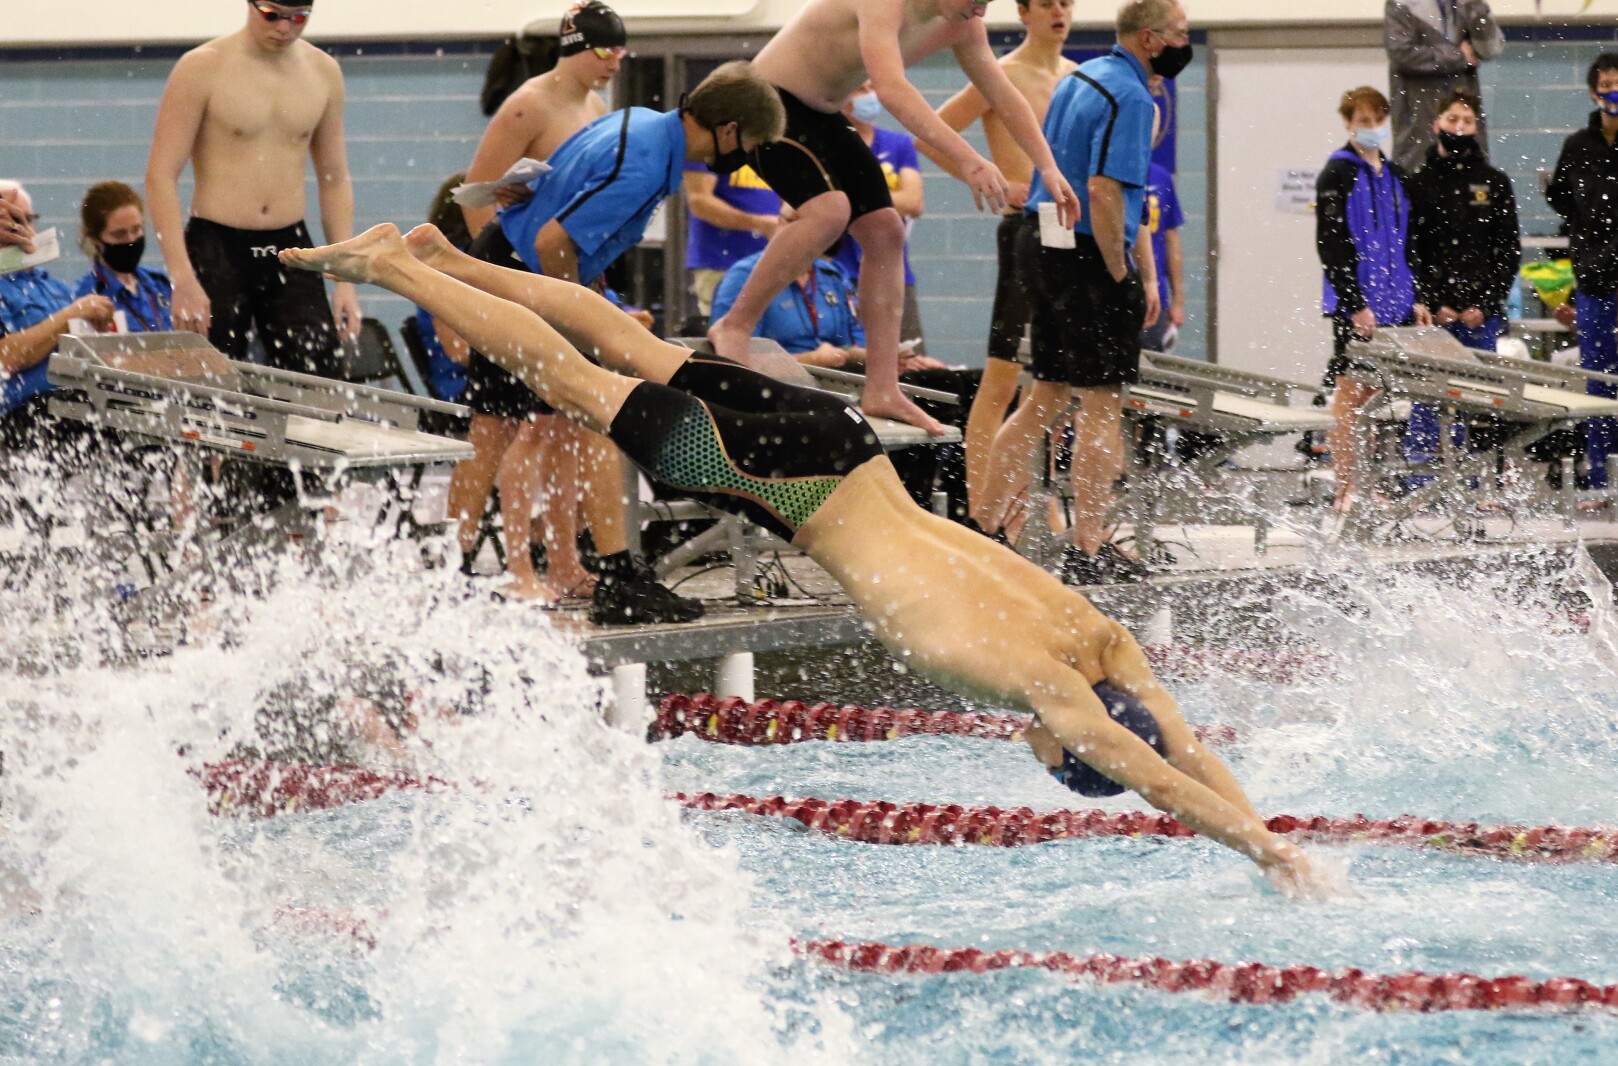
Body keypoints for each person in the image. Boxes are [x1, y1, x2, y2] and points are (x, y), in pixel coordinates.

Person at [280, 221, 1329, 899]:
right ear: (1071, 747)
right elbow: (1150, 768)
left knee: (635, 344)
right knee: (565, 378)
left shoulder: (1092, 634)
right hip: (768, 483)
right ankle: (399, 271)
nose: (1047, 758)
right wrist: (1260, 851)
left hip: (835, 444)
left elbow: (1175, 740)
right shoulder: (1050, 690)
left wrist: (1269, 834)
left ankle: (444, 257)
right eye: (1063, 761)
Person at [471, 59, 786, 624]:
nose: (745, 156)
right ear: (730, 128)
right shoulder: (643, 163)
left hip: (528, 264)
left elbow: (556, 203)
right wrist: (583, 316)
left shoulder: (644, 124)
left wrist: (605, 306)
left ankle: (568, 565)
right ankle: (522, 573)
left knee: (572, 423)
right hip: (521, 270)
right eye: (751, 143)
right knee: (539, 428)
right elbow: (552, 239)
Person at [705, 0, 1082, 438]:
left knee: (886, 232)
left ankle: (882, 387)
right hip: (768, 101)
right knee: (829, 212)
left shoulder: (965, 22)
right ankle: (735, 325)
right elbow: (892, 89)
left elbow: (1001, 93)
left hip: (822, 113)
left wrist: (1048, 168)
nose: (981, 8)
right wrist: (969, 161)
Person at [976, 0, 1183, 585]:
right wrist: (1122, 271)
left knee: (1043, 395)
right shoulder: (1134, 96)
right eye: (1179, 35)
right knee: (1101, 402)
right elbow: (1102, 189)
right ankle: (1087, 547)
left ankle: (984, 528)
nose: (1183, 45)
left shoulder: (1079, 78)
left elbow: (1090, 182)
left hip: (1039, 241)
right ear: (1149, 39)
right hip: (1087, 253)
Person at [449, 1, 628, 606]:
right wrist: (492, 281)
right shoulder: (528, 104)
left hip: (560, 282)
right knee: (500, 427)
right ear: (576, 46)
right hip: (510, 277)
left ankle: (564, 563)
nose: (614, 66)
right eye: (607, 53)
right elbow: (473, 197)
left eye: (622, 55)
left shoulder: (595, 107)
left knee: (561, 426)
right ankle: (477, 562)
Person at [921, 0, 1077, 524]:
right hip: (1024, 231)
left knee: (1054, 380)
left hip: (1068, 235)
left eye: (1067, 2)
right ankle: (980, 507)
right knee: (1003, 376)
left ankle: (1035, 507)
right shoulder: (1001, 74)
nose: (1060, 12)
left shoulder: (1077, 77)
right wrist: (983, 174)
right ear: (1024, 12)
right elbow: (931, 133)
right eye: (1049, 4)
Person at [145, 0, 360, 374]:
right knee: (210, 387)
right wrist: (182, 277)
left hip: (291, 247)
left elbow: (334, 178)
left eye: (298, 19)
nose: (284, 29)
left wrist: (345, 278)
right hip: (217, 246)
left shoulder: (323, 73)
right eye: (272, 15)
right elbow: (160, 176)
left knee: (321, 383)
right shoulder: (202, 67)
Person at [1316, 86, 1431, 513]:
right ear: (1348, 123)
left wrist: (1417, 297)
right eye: (1363, 121)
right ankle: (1346, 486)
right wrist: (1353, 302)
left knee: (1375, 397)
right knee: (1350, 394)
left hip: (1396, 300)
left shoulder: (1396, 176)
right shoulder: (1337, 173)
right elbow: (1331, 244)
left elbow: (1409, 243)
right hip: (1359, 304)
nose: (1371, 128)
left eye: (1377, 121)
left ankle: (1365, 482)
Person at [1404, 89, 1519, 468]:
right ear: (1437, 125)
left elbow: (1508, 251)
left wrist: (1483, 305)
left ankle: (1472, 481)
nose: (1459, 127)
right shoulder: (1418, 183)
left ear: (1476, 127)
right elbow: (1412, 251)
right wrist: (1433, 303)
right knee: (1427, 396)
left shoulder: (1494, 182)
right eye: (1452, 120)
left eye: (1467, 121)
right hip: (1436, 316)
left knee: (1476, 400)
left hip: (1480, 315)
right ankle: (1420, 476)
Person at [1547, 53, 1618, 493]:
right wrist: (1591, 235)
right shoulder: (1578, 146)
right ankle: (1598, 475)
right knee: (1597, 377)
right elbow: (1560, 200)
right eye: (1608, 84)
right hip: (1595, 279)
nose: (1614, 92)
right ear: (1594, 91)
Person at [0, 182, 116, 447]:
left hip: (83, 405)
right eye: (10, 222)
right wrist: (68, 318)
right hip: (27, 416)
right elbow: (5, 357)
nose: (21, 230)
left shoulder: (58, 289)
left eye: (25, 220)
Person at [835, 82, 929, 356]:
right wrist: (884, 198)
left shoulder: (898, 143)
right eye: (860, 89)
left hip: (894, 269)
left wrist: (851, 194)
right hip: (839, 271)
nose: (870, 96)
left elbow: (914, 202)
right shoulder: (832, 144)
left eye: (872, 87)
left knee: (908, 357)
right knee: (850, 357)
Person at [1384, 0, 1503, 173]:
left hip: (1466, 140)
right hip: (1419, 134)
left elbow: (1490, 49)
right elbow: (1401, 53)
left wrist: (1475, 7)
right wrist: (1458, 56)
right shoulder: (1402, 4)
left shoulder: (1468, 5)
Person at [711, 250, 866, 367]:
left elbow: (847, 346)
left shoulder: (831, 275)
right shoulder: (744, 276)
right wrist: (811, 359)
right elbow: (729, 361)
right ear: (778, 223)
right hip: (774, 387)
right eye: (792, 220)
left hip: (833, 381)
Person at [682, 159, 782, 318]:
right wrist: (761, 224)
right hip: (721, 262)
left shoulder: (769, 150)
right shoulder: (715, 141)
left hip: (770, 263)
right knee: (726, 329)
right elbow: (699, 201)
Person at [71, 181, 174, 335]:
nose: (131, 240)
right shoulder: (88, 296)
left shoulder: (160, 285)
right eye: (120, 234)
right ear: (96, 240)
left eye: (136, 229)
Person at [414, 175, 473, 404]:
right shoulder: (445, 268)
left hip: (478, 380)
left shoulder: (465, 260)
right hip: (461, 387)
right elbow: (459, 352)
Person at [1140, 83, 1185, 353]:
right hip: (1115, 292)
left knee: (1149, 380)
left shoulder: (1160, 177)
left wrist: (1178, 298)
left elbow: (1171, 239)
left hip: (1153, 295)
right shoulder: (1102, 177)